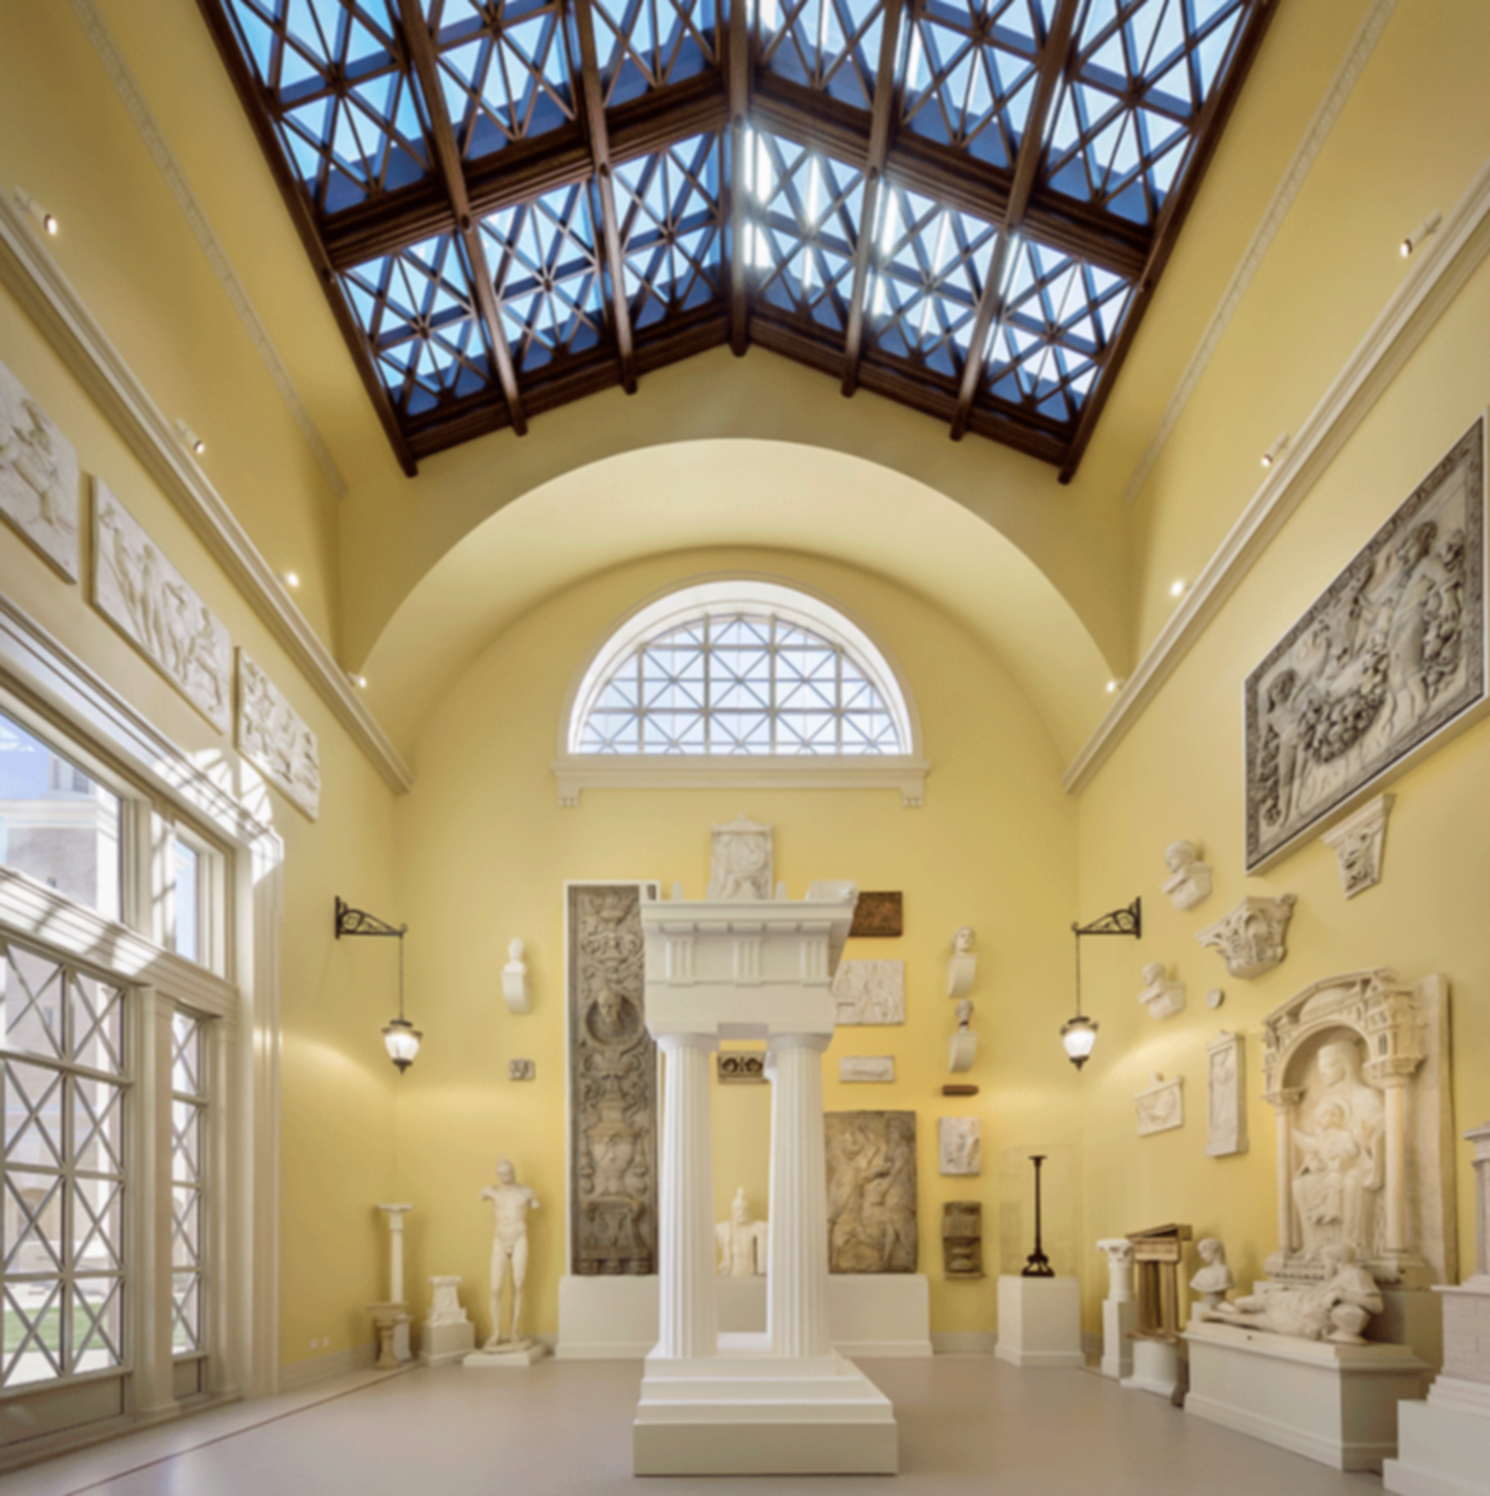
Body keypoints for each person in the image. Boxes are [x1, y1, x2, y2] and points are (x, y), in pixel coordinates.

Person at [480, 1157, 539, 1349]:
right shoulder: (491, 1191)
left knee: (518, 1284)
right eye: (501, 1174)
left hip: (519, 1238)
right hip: (500, 1239)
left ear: (514, 1172)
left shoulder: (526, 1193)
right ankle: (497, 1332)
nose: (505, 1177)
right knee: (496, 1287)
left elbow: (536, 1204)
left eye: (508, 1173)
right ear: (498, 1174)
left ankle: (514, 1332)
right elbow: (482, 1193)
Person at [715, 1187, 768, 1276]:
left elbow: (768, 1227)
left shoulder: (756, 1227)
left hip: (750, 1273)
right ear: (733, 1211)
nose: (741, 1212)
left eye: (744, 1209)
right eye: (738, 1209)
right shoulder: (723, 1228)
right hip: (731, 1273)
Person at [1189, 1238, 1234, 1307]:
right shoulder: (1202, 1272)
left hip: (1220, 1305)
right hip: (1204, 1305)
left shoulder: (1224, 1271)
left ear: (1215, 1250)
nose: (1202, 1257)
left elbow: (1222, 1286)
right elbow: (1193, 1283)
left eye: (1203, 1252)